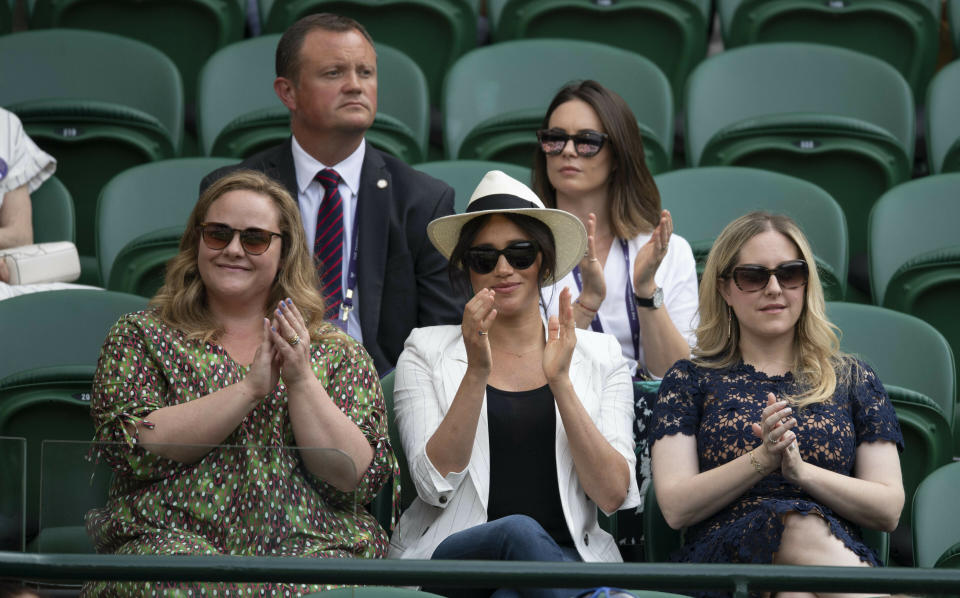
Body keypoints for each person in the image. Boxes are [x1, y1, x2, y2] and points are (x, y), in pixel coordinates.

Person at [85, 170, 397, 597]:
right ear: (197, 241)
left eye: (254, 239)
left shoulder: (336, 352)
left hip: (314, 549)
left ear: (284, 252)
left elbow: (356, 477)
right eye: (217, 234)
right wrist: (247, 390)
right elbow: (131, 447)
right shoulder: (141, 336)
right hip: (172, 545)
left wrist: (302, 379)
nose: (233, 250)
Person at [388, 170, 641, 596]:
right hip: (454, 560)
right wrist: (476, 372)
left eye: (520, 254)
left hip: (562, 561)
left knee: (512, 592)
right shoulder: (424, 350)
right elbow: (433, 485)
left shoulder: (600, 356)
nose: (503, 269)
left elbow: (613, 495)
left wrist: (560, 381)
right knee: (515, 532)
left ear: (542, 263)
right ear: (468, 270)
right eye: (484, 258)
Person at [650, 212, 904, 598]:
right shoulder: (689, 379)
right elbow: (675, 507)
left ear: (805, 283)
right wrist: (762, 460)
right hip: (722, 565)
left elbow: (888, 507)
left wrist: (802, 473)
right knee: (788, 521)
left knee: (793, 593)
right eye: (753, 276)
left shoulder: (853, 379)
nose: (774, 288)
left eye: (789, 273)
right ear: (725, 289)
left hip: (825, 562)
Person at [200, 13, 461, 375]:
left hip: (381, 396)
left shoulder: (422, 200)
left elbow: (442, 339)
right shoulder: (233, 190)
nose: (355, 85)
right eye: (334, 73)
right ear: (287, 92)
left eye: (365, 72)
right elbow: (202, 314)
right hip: (259, 383)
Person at [532, 80, 698, 381]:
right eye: (555, 139)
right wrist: (585, 306)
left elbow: (676, 379)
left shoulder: (671, 251)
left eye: (587, 141)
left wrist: (646, 291)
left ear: (618, 156)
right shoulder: (520, 251)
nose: (567, 151)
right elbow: (524, 373)